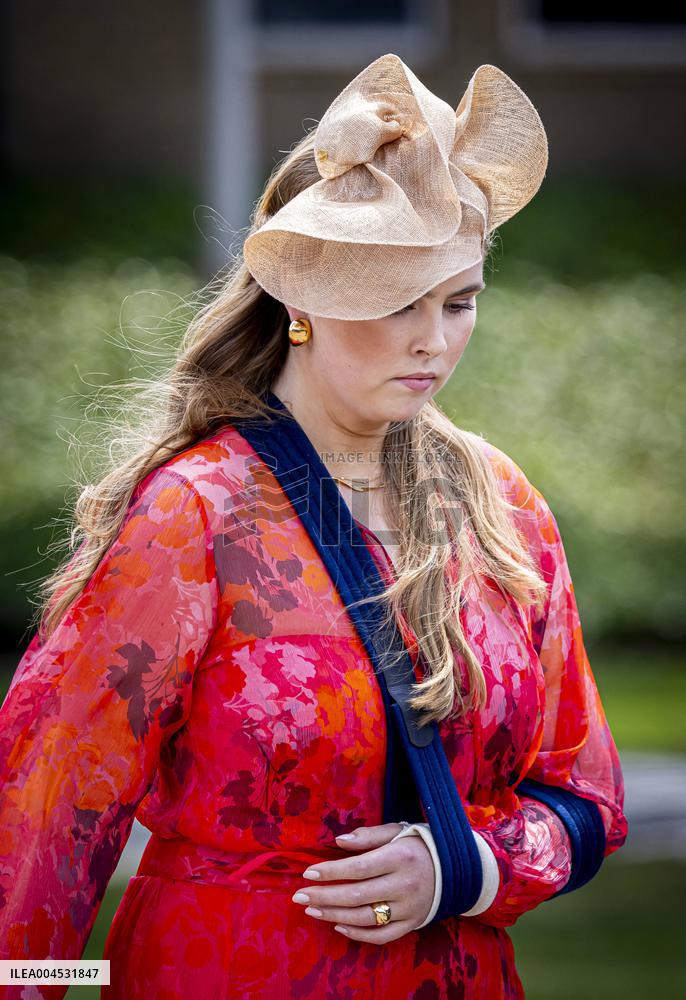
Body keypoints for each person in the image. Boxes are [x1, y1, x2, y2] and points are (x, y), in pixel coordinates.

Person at [0, 54, 628, 998]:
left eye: (460, 303)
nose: (435, 340)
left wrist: (463, 868)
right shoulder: (194, 512)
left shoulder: (498, 504)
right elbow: (43, 828)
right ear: (302, 298)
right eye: (399, 302)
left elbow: (586, 798)